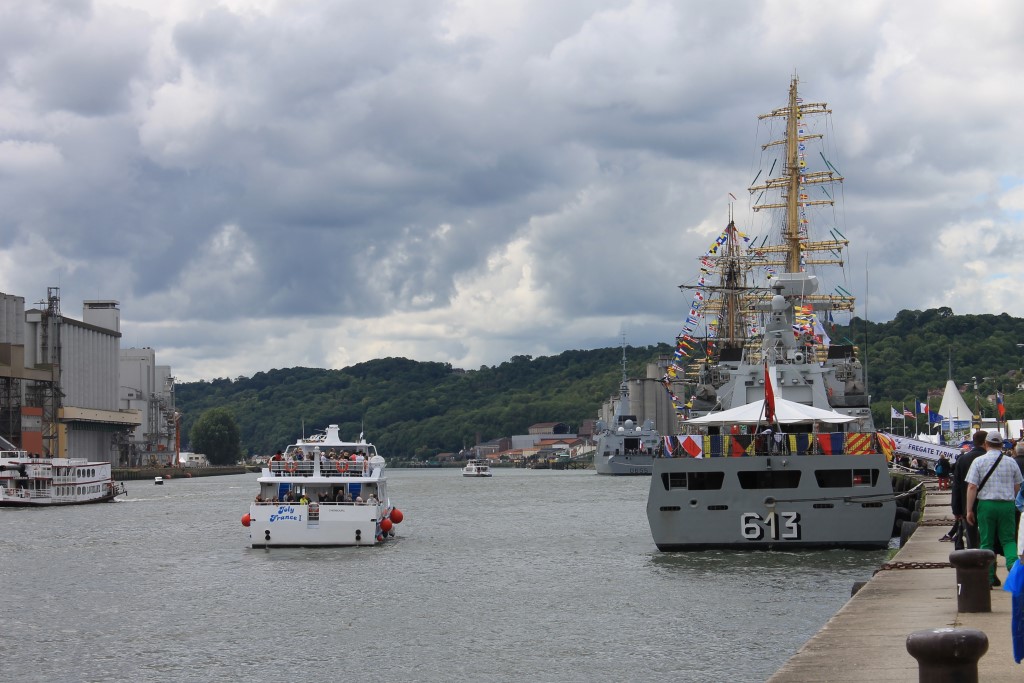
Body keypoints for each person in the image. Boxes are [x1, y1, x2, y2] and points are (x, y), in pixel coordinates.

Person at [966, 431, 1023, 587]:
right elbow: (1017, 486)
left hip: (986, 505)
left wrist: (969, 509)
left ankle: (989, 578)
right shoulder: (1011, 462)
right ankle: (1014, 568)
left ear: (986, 444)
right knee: (1008, 540)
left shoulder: (978, 461)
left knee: (986, 542)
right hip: (1007, 505)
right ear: (1001, 445)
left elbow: (972, 487)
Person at [951, 431, 988, 549]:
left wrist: (956, 509)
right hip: (987, 501)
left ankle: (974, 559)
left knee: (971, 537)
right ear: (985, 441)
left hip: (966, 504)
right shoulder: (990, 459)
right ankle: (989, 562)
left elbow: (956, 486)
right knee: (988, 536)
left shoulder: (962, 460)